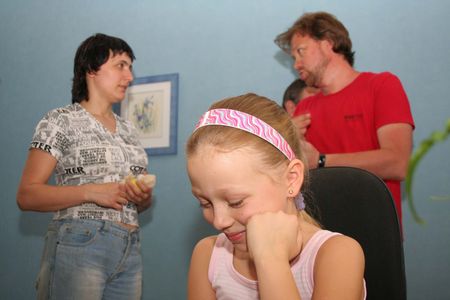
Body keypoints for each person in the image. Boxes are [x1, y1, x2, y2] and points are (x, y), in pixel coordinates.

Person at [186, 93, 366, 300]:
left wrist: (271, 260)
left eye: (236, 202)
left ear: (291, 179)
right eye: (205, 203)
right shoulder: (208, 256)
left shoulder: (337, 255)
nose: (219, 221)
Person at [16, 33, 153, 300]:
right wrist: (91, 191)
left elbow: (134, 201)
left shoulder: (129, 130)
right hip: (81, 242)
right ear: (91, 69)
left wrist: (142, 198)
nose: (129, 77)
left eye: (130, 67)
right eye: (120, 66)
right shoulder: (59, 121)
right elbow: (27, 195)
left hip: (130, 248)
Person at [274, 12, 414, 223]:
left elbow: (397, 163)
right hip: (318, 236)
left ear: (328, 43)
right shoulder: (304, 108)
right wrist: (285, 136)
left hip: (373, 230)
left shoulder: (382, 86)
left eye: (300, 52)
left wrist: (321, 161)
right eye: (293, 58)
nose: (296, 64)